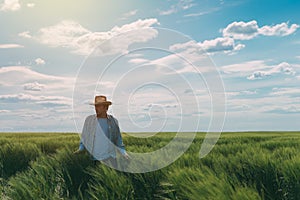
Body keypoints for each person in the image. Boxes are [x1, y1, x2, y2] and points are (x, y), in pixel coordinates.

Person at [74, 95, 129, 168]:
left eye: (99, 106)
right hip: (94, 159)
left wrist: (124, 153)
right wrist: (80, 149)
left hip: (110, 158)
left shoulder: (114, 121)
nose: (96, 108)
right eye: (95, 106)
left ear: (106, 107)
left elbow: (118, 140)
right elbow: (84, 138)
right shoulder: (89, 120)